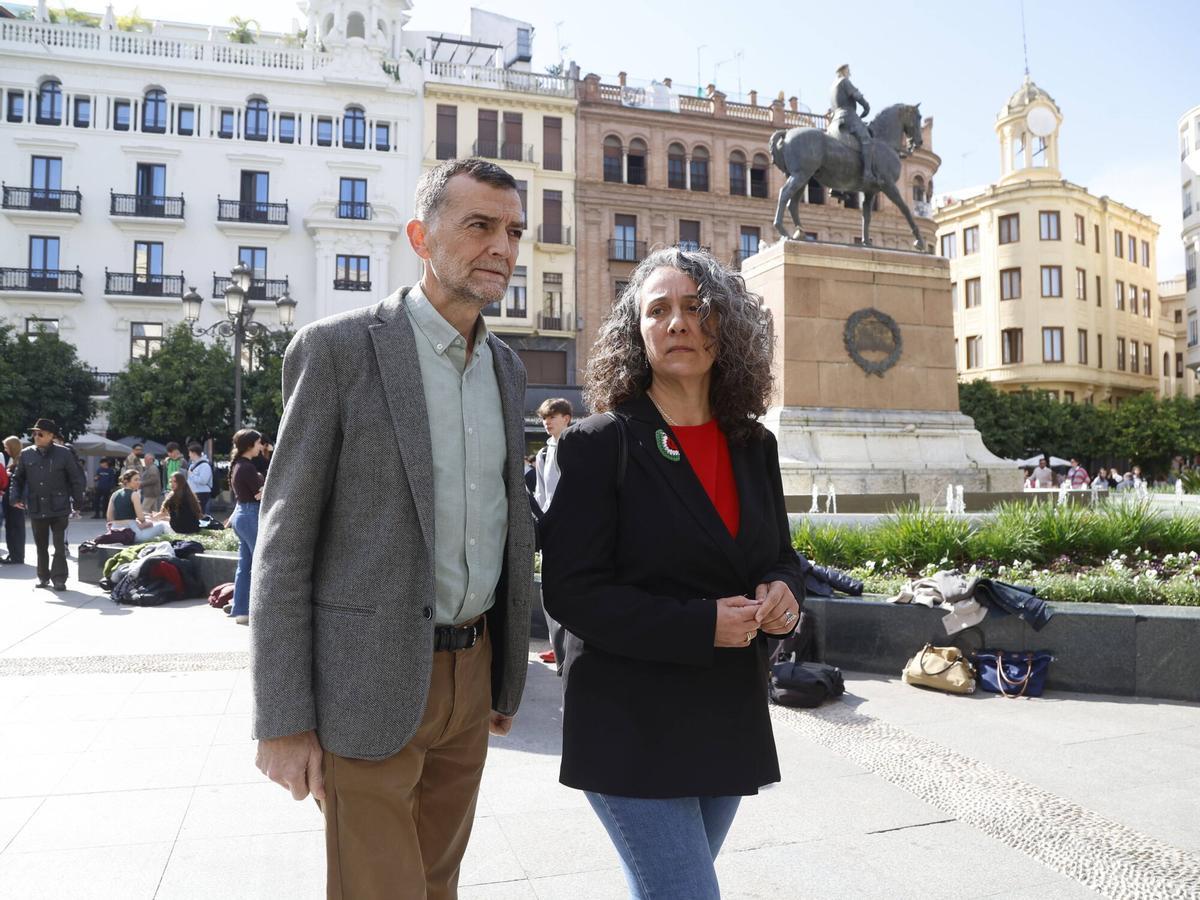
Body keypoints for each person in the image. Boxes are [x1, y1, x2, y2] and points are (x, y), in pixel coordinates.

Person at [250, 157, 535, 900]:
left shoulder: (505, 367)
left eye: (512, 231)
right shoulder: (339, 349)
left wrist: (502, 677)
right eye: (479, 226)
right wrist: (282, 718)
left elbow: (506, 526)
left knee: (439, 884)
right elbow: (283, 545)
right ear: (420, 235)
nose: (502, 247)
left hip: (470, 677)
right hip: (365, 679)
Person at [540, 247, 804, 900]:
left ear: (726, 328)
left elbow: (779, 555)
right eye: (658, 310)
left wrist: (784, 595)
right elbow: (573, 593)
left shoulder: (753, 443)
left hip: (725, 713)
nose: (678, 322)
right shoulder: (597, 444)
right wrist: (700, 624)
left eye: (696, 307)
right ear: (638, 333)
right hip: (629, 720)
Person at [11, 418, 86, 590]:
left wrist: (78, 502)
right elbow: (17, 478)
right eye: (34, 433)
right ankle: (43, 576)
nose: (36, 436)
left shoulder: (64, 453)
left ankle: (59, 579)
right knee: (41, 545)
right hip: (36, 506)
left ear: (51, 435)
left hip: (59, 507)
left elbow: (75, 479)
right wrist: (14, 498)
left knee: (59, 545)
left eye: (40, 433)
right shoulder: (26, 453)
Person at [532, 397, 573, 667]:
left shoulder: (580, 445)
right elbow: (540, 493)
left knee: (573, 587)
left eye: (553, 416)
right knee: (550, 589)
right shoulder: (543, 453)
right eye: (545, 418)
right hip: (551, 529)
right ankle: (556, 647)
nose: (548, 422)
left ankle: (570, 648)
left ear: (567, 418)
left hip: (575, 528)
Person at [228, 429, 265, 625]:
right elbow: (260, 494)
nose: (262, 446)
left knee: (245, 566)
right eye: (259, 443)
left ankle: (241, 611)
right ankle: (258, 609)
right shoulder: (247, 467)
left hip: (242, 516)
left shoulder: (238, 466)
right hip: (250, 515)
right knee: (259, 563)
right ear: (250, 445)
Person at [830, 63, 878, 182]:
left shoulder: (832, 86)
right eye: (848, 71)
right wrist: (866, 106)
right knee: (867, 140)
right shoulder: (844, 81)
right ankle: (867, 173)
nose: (849, 73)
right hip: (848, 116)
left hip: (834, 120)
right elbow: (856, 95)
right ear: (843, 71)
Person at [106, 469, 169, 543]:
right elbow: (141, 518)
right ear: (126, 481)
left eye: (139, 479)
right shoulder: (134, 494)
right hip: (133, 534)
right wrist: (147, 523)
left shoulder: (114, 494)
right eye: (135, 480)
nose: (138, 482)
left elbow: (109, 517)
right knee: (162, 525)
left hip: (116, 532)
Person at [153, 470, 203, 535]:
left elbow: (163, 514)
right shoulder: (190, 495)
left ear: (181, 482)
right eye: (171, 482)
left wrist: (152, 518)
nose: (172, 484)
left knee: (160, 524)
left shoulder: (173, 496)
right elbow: (180, 517)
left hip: (179, 530)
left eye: (175, 481)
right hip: (194, 529)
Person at [2, 435, 25, 565]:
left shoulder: (20, 461)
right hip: (12, 499)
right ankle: (14, 554)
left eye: (6, 447)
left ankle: (17, 556)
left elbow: (20, 481)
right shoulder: (15, 460)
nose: (5, 450)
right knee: (11, 527)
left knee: (15, 528)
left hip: (16, 500)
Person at [186, 443, 214, 513]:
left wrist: (191, 475)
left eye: (189, 453)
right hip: (194, 493)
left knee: (201, 515)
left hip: (202, 493)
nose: (189, 455)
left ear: (194, 453)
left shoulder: (205, 465)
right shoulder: (192, 465)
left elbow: (203, 480)